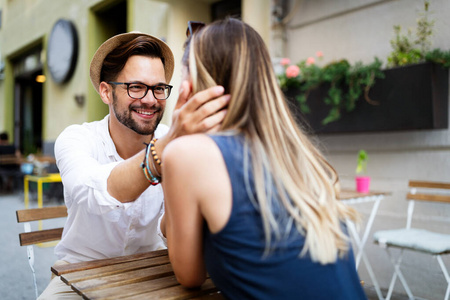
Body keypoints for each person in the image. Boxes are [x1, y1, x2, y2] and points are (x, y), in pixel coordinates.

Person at [161, 18, 367, 299]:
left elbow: (190, 276)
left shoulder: (187, 153)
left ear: (193, 84)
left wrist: (175, 139)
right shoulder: (298, 152)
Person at [38, 32, 229, 299]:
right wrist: (166, 147)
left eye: (159, 88)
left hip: (154, 269)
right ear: (106, 92)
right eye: (136, 87)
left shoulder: (177, 140)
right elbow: (94, 193)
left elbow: (174, 229)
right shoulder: (76, 138)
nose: (150, 99)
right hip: (81, 271)